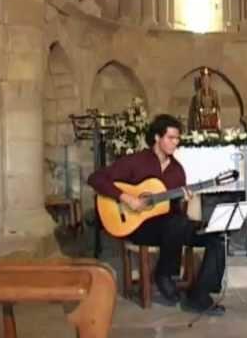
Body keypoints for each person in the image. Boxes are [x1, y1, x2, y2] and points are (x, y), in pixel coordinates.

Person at [88, 114, 226, 315]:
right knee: (176, 224)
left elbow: (175, 213)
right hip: (137, 226)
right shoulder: (135, 161)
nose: (175, 143)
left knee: (216, 234)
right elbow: (96, 178)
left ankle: (199, 296)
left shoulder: (177, 171)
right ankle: (164, 274)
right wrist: (127, 198)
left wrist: (183, 200)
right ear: (157, 138)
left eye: (177, 139)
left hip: (169, 227)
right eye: (171, 138)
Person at [188, 67, 221, 131]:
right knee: (200, 116)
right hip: (202, 114)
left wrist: (213, 110)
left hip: (212, 114)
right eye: (204, 80)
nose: (206, 82)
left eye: (207, 80)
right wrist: (202, 111)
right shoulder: (198, 94)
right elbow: (198, 106)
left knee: (214, 116)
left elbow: (217, 105)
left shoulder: (214, 93)